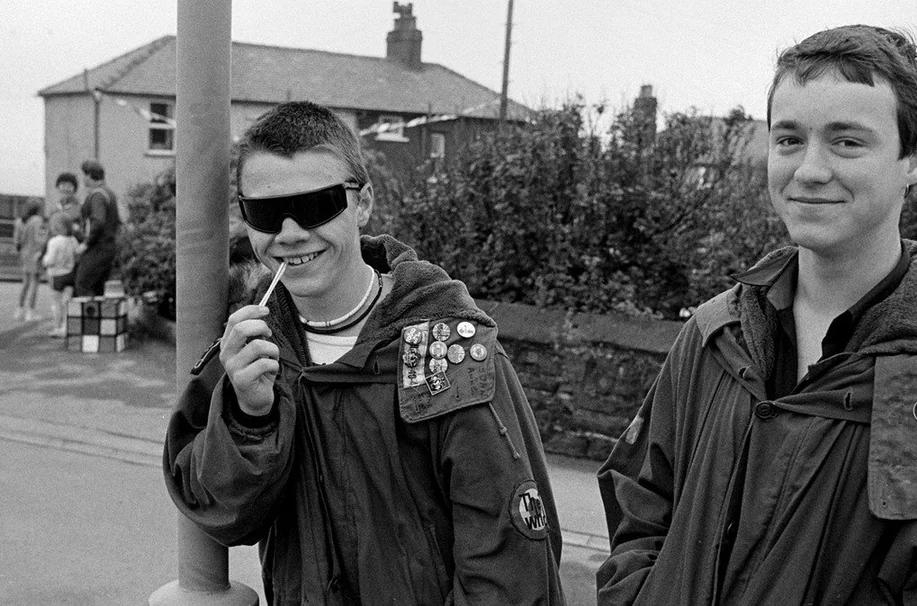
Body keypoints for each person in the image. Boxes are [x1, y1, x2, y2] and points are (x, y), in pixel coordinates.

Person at [596, 25, 917, 604]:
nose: (809, 169)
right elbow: (642, 508)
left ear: (915, 157)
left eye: (846, 142)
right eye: (789, 139)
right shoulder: (715, 335)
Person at [164, 101, 564, 604]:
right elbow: (220, 512)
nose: (289, 233)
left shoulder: (447, 350)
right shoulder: (256, 349)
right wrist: (249, 415)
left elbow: (509, 560)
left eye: (317, 205)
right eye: (264, 213)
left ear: (364, 203)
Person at [74, 160, 120, 296]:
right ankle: (101, 318)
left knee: (83, 284)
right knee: (99, 288)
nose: (83, 179)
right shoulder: (109, 193)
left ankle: (89, 317)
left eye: (84, 175)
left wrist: (86, 243)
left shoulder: (97, 195)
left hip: (97, 248)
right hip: (108, 247)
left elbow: (98, 221)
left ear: (89, 176)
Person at [41, 213, 79, 337]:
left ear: (56, 227)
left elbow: (50, 260)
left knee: (56, 303)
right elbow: (77, 254)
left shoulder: (54, 241)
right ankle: (66, 327)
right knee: (67, 302)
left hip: (55, 276)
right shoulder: (73, 240)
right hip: (70, 275)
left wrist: (44, 260)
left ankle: (57, 326)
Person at [14, 202, 47, 322]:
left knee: (26, 283)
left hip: (24, 253)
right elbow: (40, 238)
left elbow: (16, 241)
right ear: (38, 209)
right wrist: (42, 251)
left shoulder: (19, 221)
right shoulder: (38, 220)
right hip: (35, 254)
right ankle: (30, 311)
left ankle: (19, 309)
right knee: (35, 283)